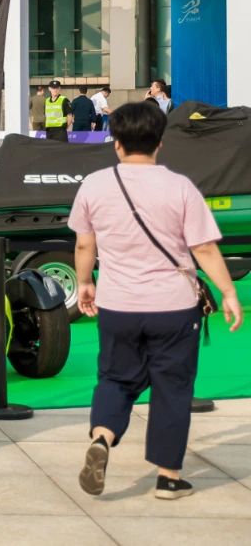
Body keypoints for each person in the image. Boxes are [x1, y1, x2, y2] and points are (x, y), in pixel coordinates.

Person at [71, 101, 242, 500]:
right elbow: (203, 248)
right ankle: (168, 477)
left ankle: (103, 436)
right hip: (173, 306)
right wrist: (228, 292)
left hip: (118, 304)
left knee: (115, 378)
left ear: (116, 143)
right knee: (172, 387)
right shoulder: (180, 187)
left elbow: (83, 244)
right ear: (160, 142)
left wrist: (84, 282)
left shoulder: (94, 185)